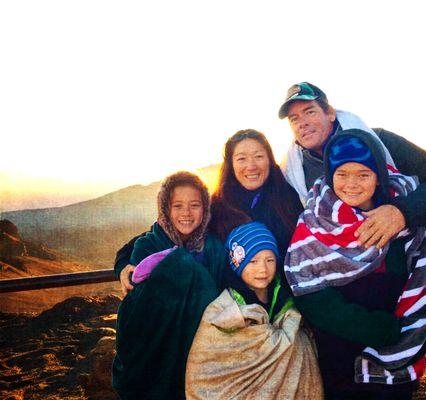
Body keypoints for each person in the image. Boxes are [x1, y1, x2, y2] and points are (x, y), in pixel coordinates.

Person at [284, 130, 426, 399]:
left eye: (363, 174)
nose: (352, 184)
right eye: (342, 174)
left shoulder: (408, 220)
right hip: (339, 363)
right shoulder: (315, 221)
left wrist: (402, 334)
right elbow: (307, 290)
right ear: (330, 175)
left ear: (378, 176)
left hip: (395, 366)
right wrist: (374, 328)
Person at [278, 81, 426, 250]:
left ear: (331, 114)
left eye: (310, 112)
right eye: (294, 119)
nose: (302, 123)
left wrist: (402, 213)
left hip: (403, 265)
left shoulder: (380, 143)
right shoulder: (293, 173)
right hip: (341, 278)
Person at [114, 129, 303, 294]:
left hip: (284, 298)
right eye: (241, 158)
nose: (251, 165)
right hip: (231, 305)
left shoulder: (287, 200)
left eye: (259, 156)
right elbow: (161, 234)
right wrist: (123, 264)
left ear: (270, 160)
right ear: (231, 164)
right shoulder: (218, 206)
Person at [112, 171, 226, 400]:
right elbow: (142, 311)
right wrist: (182, 266)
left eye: (195, 205)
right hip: (159, 354)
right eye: (177, 206)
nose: (186, 213)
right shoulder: (148, 245)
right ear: (165, 209)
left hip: (203, 353)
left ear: (205, 209)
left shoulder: (214, 248)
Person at [185, 222, 323, 399]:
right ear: (237, 264)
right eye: (252, 261)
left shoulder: (286, 299)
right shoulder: (224, 305)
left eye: (269, 260)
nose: (263, 270)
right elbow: (205, 365)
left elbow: (299, 343)